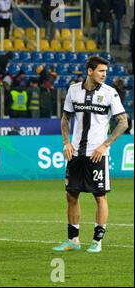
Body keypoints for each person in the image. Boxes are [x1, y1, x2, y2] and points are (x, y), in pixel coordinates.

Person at [53, 56, 128, 253]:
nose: (104, 75)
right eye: (101, 71)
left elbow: (123, 122)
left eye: (105, 71)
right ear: (89, 71)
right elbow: (65, 118)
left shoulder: (110, 93)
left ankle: (97, 242)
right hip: (76, 153)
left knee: (99, 196)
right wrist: (66, 142)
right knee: (71, 195)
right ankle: (73, 240)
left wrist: (105, 145)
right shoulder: (73, 90)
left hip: (97, 154)